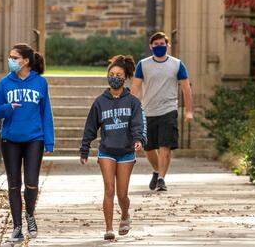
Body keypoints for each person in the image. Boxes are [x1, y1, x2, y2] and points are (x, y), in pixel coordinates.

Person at [0, 43, 55, 244]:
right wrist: (7, 108)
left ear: (26, 61)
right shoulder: (4, 83)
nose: (11, 61)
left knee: (32, 182)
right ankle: (17, 226)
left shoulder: (40, 83)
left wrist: (49, 141)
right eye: (10, 57)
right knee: (13, 184)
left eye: (14, 58)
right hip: (10, 140)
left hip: (34, 139)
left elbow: (46, 113)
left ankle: (30, 215)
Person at [80, 55, 146, 242]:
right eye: (111, 74)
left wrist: (138, 139)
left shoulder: (132, 102)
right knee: (109, 189)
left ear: (125, 78)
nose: (114, 77)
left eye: (118, 74)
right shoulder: (100, 102)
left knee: (122, 194)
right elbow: (90, 128)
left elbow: (137, 124)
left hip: (126, 151)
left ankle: (125, 214)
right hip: (107, 151)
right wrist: (84, 149)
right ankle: (109, 229)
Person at [131, 31, 192, 192]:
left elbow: (186, 88)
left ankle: (161, 179)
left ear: (168, 46)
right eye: (156, 44)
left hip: (168, 110)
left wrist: (189, 111)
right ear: (151, 46)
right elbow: (136, 88)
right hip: (148, 111)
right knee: (149, 148)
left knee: (165, 146)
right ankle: (157, 171)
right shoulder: (143, 65)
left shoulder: (177, 64)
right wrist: (130, 110)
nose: (159, 47)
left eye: (162, 44)